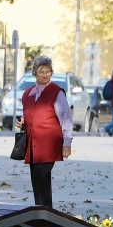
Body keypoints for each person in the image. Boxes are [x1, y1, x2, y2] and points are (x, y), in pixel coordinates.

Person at [15, 55, 73, 208]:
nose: (45, 74)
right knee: (36, 179)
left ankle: (47, 213)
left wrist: (67, 142)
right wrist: (22, 121)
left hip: (49, 144)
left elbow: (65, 118)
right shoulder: (27, 94)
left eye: (48, 71)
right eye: (41, 71)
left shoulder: (57, 92)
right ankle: (40, 212)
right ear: (34, 72)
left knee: (42, 177)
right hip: (33, 145)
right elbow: (28, 114)